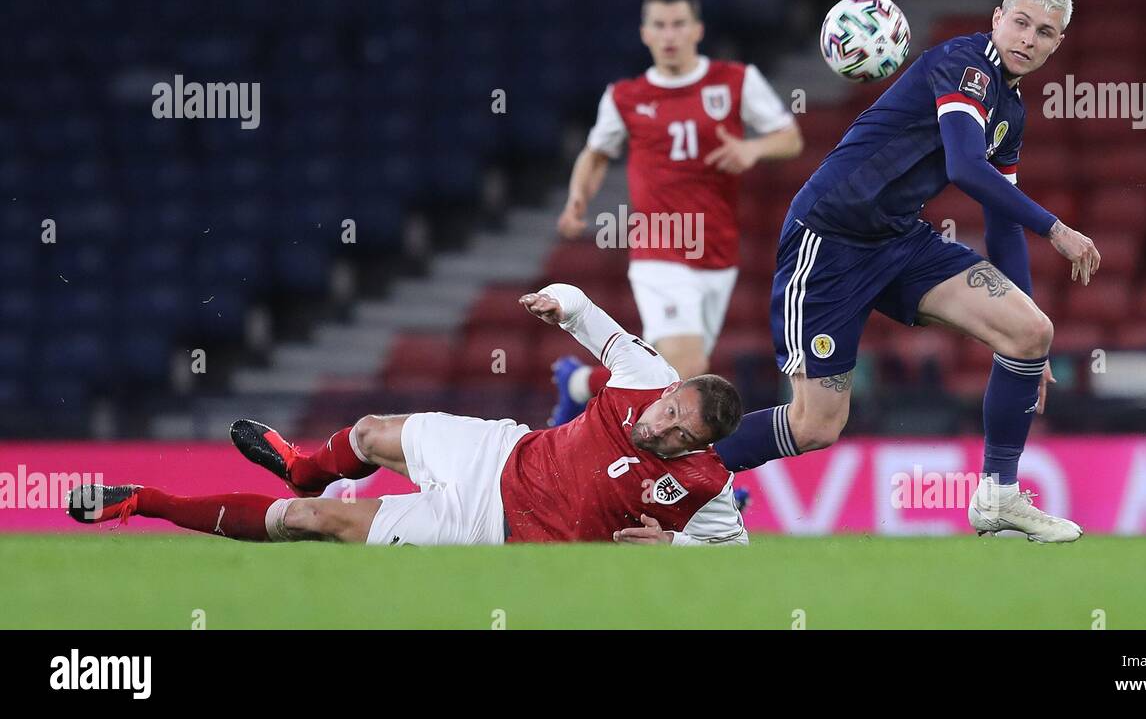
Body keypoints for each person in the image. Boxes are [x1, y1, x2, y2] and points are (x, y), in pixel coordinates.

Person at [711, 0, 1101, 543]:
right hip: (831, 237)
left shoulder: (1010, 112)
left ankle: (998, 497)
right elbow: (967, 168)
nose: (1028, 39)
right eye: (1020, 22)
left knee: (1029, 331)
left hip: (896, 238)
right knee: (817, 424)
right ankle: (678, 473)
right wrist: (1056, 228)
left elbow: (1001, 223)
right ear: (998, 17)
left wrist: (1028, 340)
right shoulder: (964, 65)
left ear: (1056, 43)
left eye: (1044, 32)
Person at [68, 284, 749, 547]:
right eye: (667, 408)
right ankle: (306, 468)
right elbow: (593, 321)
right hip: (498, 453)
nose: (658, 424)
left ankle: (144, 500)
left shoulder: (708, 485)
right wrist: (561, 303)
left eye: (678, 431)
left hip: (487, 529)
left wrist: (676, 546)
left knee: (313, 522)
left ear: (701, 443)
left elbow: (736, 555)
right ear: (671, 386)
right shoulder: (648, 374)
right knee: (366, 431)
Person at [550, 0, 803, 425]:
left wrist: (752, 150)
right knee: (688, 371)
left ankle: (579, 383)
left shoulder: (736, 81)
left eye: (679, 24)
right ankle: (697, 489)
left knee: (665, 376)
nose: (669, 35)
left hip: (718, 253)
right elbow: (596, 154)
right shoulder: (625, 97)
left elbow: (790, 137)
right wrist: (577, 200)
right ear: (645, 34)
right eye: (660, 26)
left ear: (697, 30)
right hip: (660, 248)